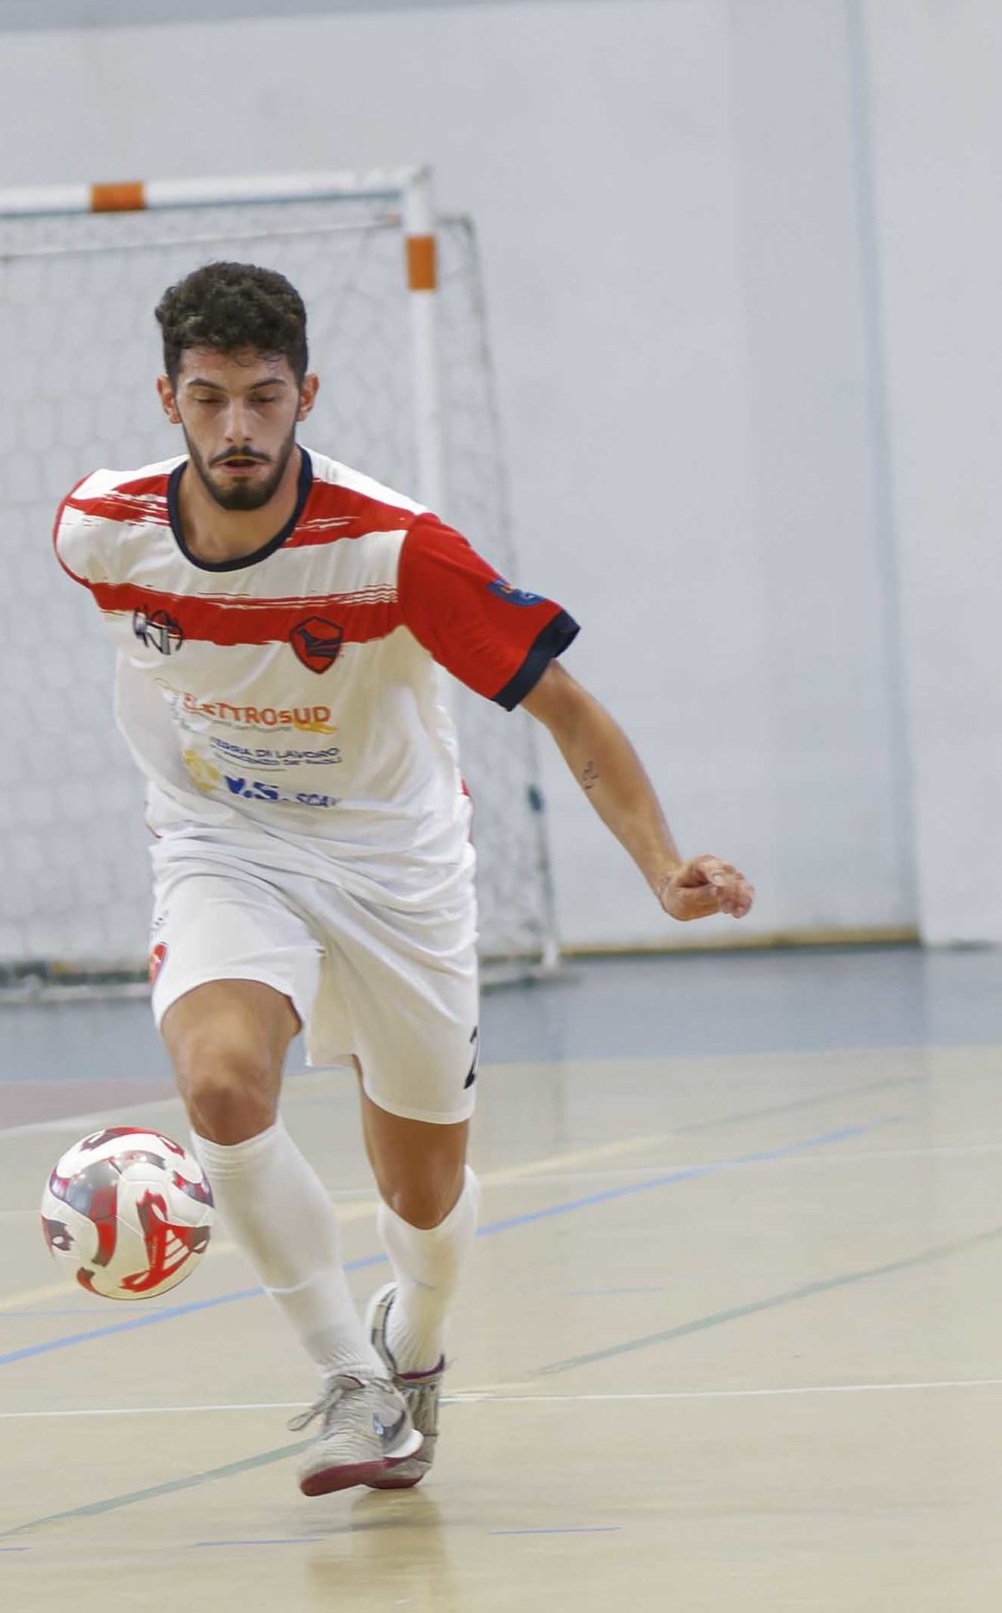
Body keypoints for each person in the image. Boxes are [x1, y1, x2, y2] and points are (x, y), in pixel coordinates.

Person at [52, 262, 753, 1497]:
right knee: (219, 1083)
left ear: (306, 394)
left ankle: (412, 1342)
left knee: (420, 1193)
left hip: (396, 866)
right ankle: (356, 1388)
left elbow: (566, 708)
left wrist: (660, 865)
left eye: (263, 397)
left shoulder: (393, 549)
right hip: (224, 839)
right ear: (167, 399)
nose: (236, 427)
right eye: (208, 398)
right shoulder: (99, 531)